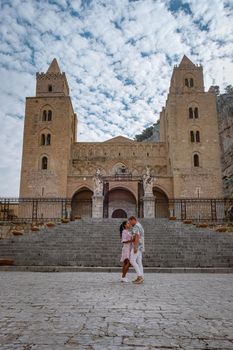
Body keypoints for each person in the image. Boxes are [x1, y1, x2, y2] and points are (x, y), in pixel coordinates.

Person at [128, 216, 144, 284]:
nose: (130, 223)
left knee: (132, 261)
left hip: (137, 246)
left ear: (133, 220)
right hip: (141, 246)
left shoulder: (136, 226)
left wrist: (135, 247)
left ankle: (140, 277)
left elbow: (137, 236)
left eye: (130, 222)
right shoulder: (139, 225)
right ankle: (141, 277)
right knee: (139, 262)